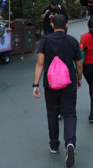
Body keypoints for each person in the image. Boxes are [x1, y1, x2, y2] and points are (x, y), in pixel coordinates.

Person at [33, 14, 82, 168]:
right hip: (69, 83)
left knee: (52, 113)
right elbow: (79, 64)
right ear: (67, 25)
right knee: (69, 113)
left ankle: (54, 145)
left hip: (51, 84)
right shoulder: (73, 41)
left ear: (52, 25)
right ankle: (70, 143)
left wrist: (35, 84)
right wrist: (79, 78)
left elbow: (40, 64)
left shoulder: (45, 41)